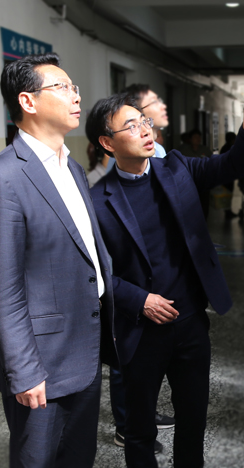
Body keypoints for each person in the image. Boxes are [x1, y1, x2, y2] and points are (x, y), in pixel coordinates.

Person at [86, 90, 244, 467]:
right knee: (139, 429)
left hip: (190, 323)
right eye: (131, 126)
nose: (145, 130)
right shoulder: (97, 202)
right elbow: (94, 272)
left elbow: (229, 164)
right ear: (107, 143)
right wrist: (139, 299)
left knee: (193, 420)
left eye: (144, 122)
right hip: (140, 331)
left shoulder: (176, 169)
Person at [0, 53, 115, 467]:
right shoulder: (1, 178)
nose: (76, 96)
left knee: (79, 457)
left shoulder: (73, 169)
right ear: (28, 101)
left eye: (75, 88)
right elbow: (1, 288)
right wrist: (24, 370)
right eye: (63, 87)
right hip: (41, 364)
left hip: (84, 349)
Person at [94, 83, 176, 452]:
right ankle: (127, 424)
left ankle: (141, 414)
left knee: (145, 362)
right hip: (127, 287)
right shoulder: (108, 181)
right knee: (124, 355)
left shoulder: (161, 157)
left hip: (156, 285)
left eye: (145, 119)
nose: (148, 121)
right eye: (148, 107)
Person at [179, 129, 213, 219]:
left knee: (204, 205)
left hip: (203, 182)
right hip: (188, 183)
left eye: (199, 137)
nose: (198, 139)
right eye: (195, 137)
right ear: (190, 139)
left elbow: (212, 163)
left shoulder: (205, 150)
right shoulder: (183, 151)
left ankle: (204, 222)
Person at [219, 131, 240, 219]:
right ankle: (227, 212)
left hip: (226, 174)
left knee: (228, 193)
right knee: (228, 193)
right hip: (227, 174)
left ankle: (228, 211)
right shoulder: (229, 148)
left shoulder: (225, 148)